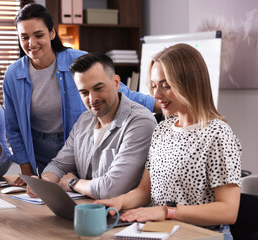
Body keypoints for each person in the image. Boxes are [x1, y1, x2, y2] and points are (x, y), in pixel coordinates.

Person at [3, 3, 160, 186]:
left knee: (84, 188)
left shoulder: (77, 61)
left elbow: (121, 93)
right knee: (50, 196)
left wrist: (163, 105)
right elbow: (13, 128)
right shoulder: (13, 75)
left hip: (77, 141)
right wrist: (27, 172)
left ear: (52, 33)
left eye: (38, 35)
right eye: (24, 37)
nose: (32, 43)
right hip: (39, 148)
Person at [95, 44, 242, 239]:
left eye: (166, 86)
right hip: (161, 232)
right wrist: (118, 202)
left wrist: (167, 211)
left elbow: (228, 211)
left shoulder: (218, 134)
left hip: (203, 235)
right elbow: (145, 192)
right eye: (154, 85)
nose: (156, 95)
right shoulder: (162, 129)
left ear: (190, 83)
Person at [26, 53, 157, 200]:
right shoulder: (84, 120)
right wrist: (45, 182)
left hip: (125, 216)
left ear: (116, 83)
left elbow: (111, 188)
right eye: (84, 92)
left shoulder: (140, 122)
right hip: (87, 209)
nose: (92, 99)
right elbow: (59, 165)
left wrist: (73, 183)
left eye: (98, 88)